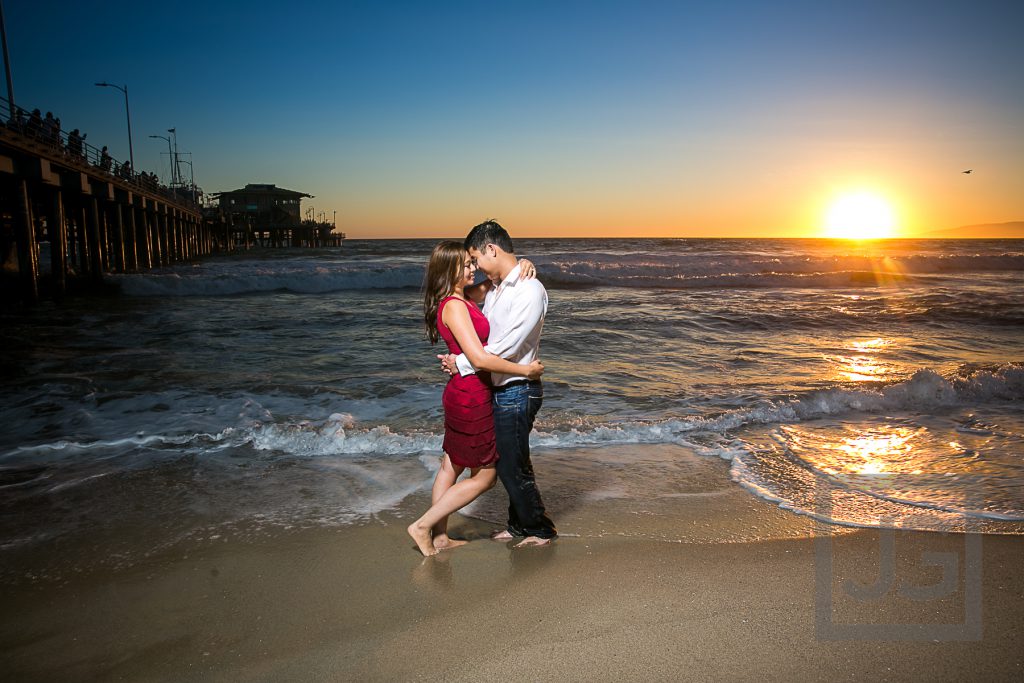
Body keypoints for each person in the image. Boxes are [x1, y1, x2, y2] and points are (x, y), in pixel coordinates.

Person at [407, 241, 544, 557]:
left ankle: (439, 538)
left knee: (450, 467)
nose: (473, 268)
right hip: (472, 395)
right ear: (450, 269)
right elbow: (480, 360)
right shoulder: (454, 306)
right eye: (466, 265)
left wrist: (522, 262)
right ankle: (423, 526)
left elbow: (501, 280)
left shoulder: (463, 297)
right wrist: (524, 370)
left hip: (461, 390)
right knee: (485, 477)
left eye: (473, 262)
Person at [440, 220, 556, 547]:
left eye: (476, 258)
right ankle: (519, 525)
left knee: (511, 465)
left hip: (518, 389)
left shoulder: (529, 290)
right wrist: (520, 265)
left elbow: (507, 344)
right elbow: (465, 307)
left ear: (491, 250)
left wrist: (461, 361)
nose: (474, 266)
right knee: (508, 462)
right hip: (501, 387)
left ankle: (539, 529)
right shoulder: (499, 285)